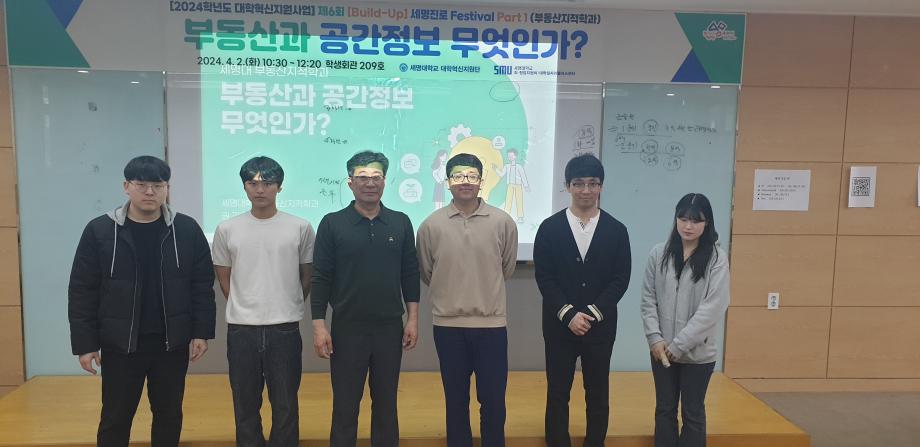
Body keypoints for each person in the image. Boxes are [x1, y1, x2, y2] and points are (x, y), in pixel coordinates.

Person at [68, 155, 216, 446]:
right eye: (142, 185)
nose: (150, 192)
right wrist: (85, 344)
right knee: (115, 417)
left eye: (158, 186)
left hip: (170, 344)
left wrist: (201, 332)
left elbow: (201, 285)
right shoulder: (100, 230)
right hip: (120, 344)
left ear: (167, 189)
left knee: (169, 415)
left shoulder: (186, 230)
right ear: (126, 186)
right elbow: (82, 290)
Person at [311, 150, 420, 447]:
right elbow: (321, 278)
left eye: (376, 177)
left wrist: (412, 319)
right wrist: (319, 326)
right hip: (347, 328)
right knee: (345, 405)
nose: (369, 183)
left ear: (385, 181)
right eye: (362, 177)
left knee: (386, 404)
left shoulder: (400, 222)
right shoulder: (332, 223)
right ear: (350, 182)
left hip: (389, 328)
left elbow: (409, 274)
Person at [212, 156, 315, 447]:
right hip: (241, 329)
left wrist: (286, 302)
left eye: (268, 183)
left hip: (284, 328)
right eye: (252, 183)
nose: (260, 190)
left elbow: (306, 276)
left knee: (285, 403)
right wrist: (245, 304)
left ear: (279, 187)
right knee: (245, 403)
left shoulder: (300, 227)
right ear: (244, 186)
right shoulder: (227, 228)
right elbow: (224, 277)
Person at [417, 153, 518, 447]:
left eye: (472, 176)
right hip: (448, 327)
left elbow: (507, 267)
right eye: (458, 175)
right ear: (447, 181)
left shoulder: (503, 222)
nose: (465, 181)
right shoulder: (430, 225)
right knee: (456, 401)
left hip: (491, 326)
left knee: (494, 401)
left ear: (481, 181)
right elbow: (427, 271)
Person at [533, 154, 631, 447]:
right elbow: (545, 277)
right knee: (558, 393)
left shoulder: (617, 230)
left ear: (601, 186)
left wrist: (591, 313)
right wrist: (568, 315)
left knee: (598, 393)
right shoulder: (549, 228)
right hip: (559, 327)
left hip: (600, 328)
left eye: (592, 183)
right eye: (578, 183)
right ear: (567, 186)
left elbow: (620, 279)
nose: (586, 190)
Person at [640, 193, 730, 447]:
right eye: (683, 219)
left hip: (698, 355)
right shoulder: (659, 253)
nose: (688, 226)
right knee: (664, 410)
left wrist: (679, 345)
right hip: (661, 351)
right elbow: (648, 299)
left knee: (692, 414)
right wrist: (654, 338)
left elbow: (712, 309)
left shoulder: (717, 259)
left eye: (695, 221)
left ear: (707, 223)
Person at [493, 148, 529, 223]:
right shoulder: (507, 166)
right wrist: (496, 169)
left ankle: (520, 217)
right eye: (509, 156)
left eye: (511, 156)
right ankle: (505, 216)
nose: (510, 157)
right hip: (510, 185)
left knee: (519, 200)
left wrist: (526, 186)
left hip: (518, 185)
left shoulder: (519, 166)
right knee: (508, 201)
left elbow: (523, 176)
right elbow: (501, 174)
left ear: (515, 156)